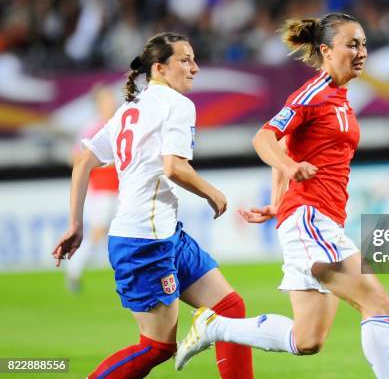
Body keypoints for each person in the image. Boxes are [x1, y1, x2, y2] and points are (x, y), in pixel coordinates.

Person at [175, 13, 389, 379]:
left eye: (363, 43)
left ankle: (214, 327)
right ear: (327, 51)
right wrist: (288, 169)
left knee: (308, 338)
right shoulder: (313, 94)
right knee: (376, 302)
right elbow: (265, 138)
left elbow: (286, 143)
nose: (361, 52)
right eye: (352, 44)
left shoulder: (341, 99)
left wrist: (277, 200)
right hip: (310, 219)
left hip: (315, 219)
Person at [52, 32, 253, 379]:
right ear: (159, 68)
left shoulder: (129, 109)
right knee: (158, 346)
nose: (195, 68)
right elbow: (173, 166)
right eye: (185, 60)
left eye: (194, 59)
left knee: (230, 307)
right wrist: (212, 193)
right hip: (144, 242)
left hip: (165, 234)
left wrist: (76, 225)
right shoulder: (177, 105)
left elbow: (83, 161)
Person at [65, 85, 119, 293]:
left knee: (114, 232)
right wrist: (102, 164)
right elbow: (75, 159)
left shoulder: (117, 123)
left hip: (120, 189)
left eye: (111, 99)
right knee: (98, 231)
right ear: (98, 104)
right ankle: (74, 269)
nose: (111, 103)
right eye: (106, 101)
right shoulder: (92, 128)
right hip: (103, 190)